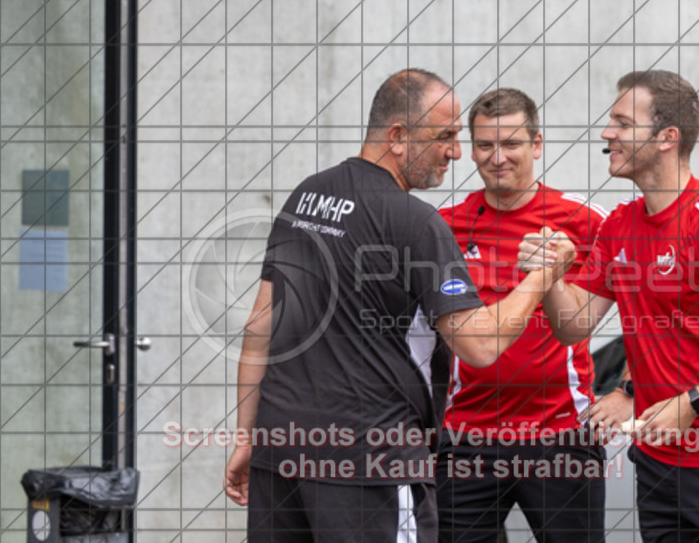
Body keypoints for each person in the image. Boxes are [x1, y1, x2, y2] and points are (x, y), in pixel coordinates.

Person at [223, 69, 574, 543]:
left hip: (280, 453)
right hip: (369, 464)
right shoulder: (416, 221)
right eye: (445, 136)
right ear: (397, 136)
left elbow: (259, 327)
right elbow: (479, 346)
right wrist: (543, 276)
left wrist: (247, 435)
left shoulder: (307, 195)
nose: (455, 151)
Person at [519, 69, 699, 542]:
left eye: (623, 123)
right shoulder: (619, 225)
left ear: (667, 137)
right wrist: (549, 273)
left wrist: (693, 404)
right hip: (658, 462)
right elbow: (573, 327)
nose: (607, 133)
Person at [436, 88, 609, 543]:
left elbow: (653, 308)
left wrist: (631, 389)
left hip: (560, 435)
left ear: (536, 143)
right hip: (465, 438)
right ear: (470, 149)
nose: (498, 157)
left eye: (511, 143)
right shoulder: (443, 225)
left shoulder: (584, 219)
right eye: (485, 145)